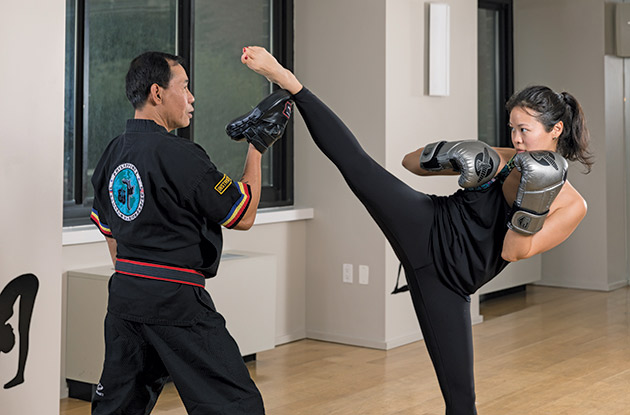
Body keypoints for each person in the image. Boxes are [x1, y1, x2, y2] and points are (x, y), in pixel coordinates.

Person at [232, 46, 592, 415]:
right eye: (512, 128)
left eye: (524, 130)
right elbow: (409, 163)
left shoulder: (571, 206)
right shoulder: (504, 157)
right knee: (356, 164)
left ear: (556, 129)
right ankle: (287, 81)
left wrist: (533, 201)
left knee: (461, 401)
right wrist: (458, 151)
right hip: (428, 224)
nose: (516, 139)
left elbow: (512, 252)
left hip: (449, 285)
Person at [89, 51, 293, 414]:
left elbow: (109, 232)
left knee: (117, 409)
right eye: (184, 87)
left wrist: (138, 282)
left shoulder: (112, 153)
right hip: (176, 303)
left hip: (124, 301)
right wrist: (257, 147)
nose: (191, 97)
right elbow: (242, 213)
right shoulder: (181, 154)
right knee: (236, 405)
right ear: (157, 93)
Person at [0, 273, 39, 389]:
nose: (12, 330)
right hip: (28, 285)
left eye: (11, 335)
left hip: (29, 283)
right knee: (23, 330)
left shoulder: (2, 314)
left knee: (23, 331)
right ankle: (20, 374)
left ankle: (20, 374)